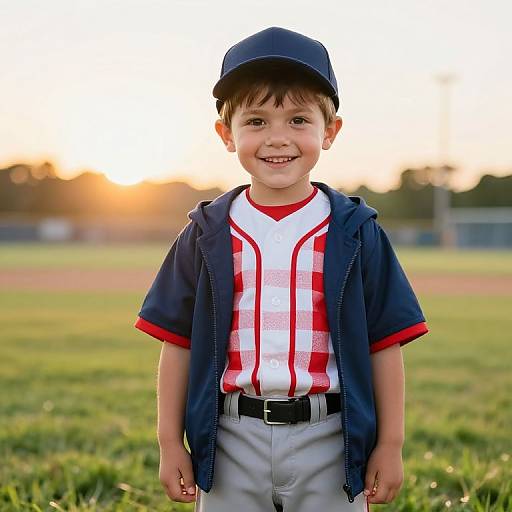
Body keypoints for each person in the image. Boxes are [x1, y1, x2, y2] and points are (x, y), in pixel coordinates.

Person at [134, 26, 429, 511]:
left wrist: (390, 444)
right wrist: (170, 443)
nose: (277, 139)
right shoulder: (205, 232)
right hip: (230, 436)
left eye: (297, 119)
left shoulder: (356, 231)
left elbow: (385, 343)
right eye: (255, 121)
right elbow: (176, 342)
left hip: (332, 437)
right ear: (226, 135)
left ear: (329, 131)